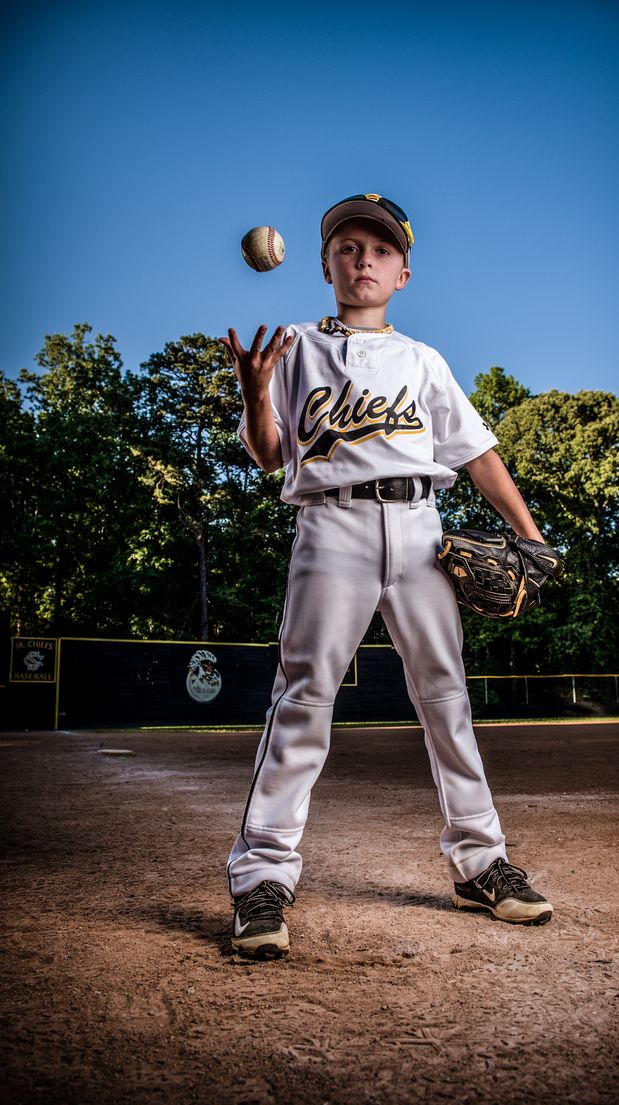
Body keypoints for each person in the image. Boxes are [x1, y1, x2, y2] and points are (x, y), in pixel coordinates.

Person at [220, 194, 553, 960]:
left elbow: (476, 453)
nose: (362, 257)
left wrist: (530, 534)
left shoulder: (424, 360)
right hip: (329, 526)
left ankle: (481, 863)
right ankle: (262, 876)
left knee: (446, 698)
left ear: (403, 272)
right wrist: (251, 391)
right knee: (303, 697)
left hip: (420, 532)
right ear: (326, 263)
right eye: (346, 245)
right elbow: (270, 455)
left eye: (378, 247)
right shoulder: (294, 346)